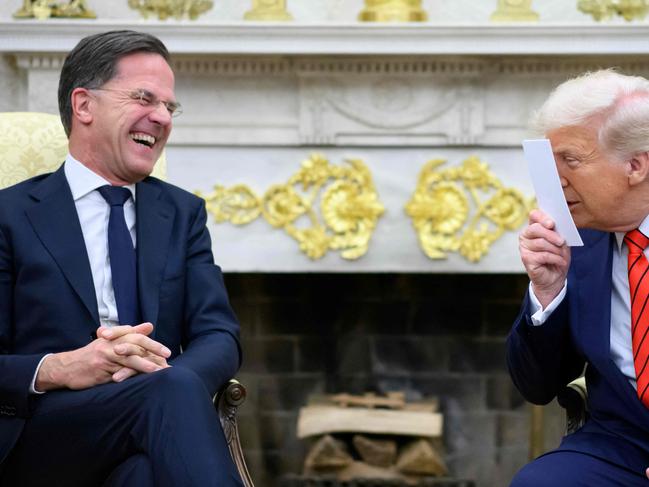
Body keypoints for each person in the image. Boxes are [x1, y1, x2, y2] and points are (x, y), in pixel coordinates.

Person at [0, 30, 243, 486]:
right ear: (84, 106)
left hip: (153, 413)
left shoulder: (183, 213)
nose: (162, 117)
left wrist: (163, 376)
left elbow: (219, 334)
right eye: (145, 98)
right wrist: (60, 367)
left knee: (142, 475)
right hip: (41, 432)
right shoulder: (8, 215)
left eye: (169, 107)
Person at [508, 69, 649, 486]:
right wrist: (547, 291)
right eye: (550, 164)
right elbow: (536, 386)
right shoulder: (576, 242)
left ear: (635, 166)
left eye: (570, 160)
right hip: (622, 444)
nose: (556, 181)